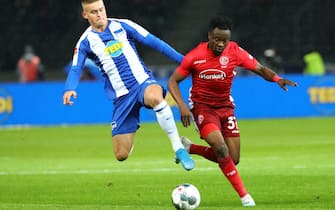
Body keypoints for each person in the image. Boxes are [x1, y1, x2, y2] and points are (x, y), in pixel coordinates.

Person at [168, 17, 297, 206]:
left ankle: (190, 148)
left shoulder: (235, 51)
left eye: (224, 40)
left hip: (225, 107)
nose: (220, 44)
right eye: (217, 39)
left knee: (232, 158)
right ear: (209, 36)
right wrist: (182, 106)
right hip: (202, 107)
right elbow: (173, 81)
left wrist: (278, 79)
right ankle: (245, 196)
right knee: (220, 148)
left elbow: (260, 69)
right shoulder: (195, 55)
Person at [63, 0, 194, 170]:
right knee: (121, 155)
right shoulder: (85, 42)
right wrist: (69, 88)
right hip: (121, 97)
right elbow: (76, 67)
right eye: (94, 12)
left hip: (142, 83)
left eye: (101, 9)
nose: (99, 14)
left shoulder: (123, 25)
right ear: (85, 15)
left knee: (155, 97)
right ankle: (130, 133)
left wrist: (184, 61)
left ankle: (178, 148)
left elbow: (155, 43)